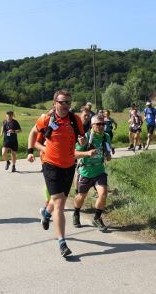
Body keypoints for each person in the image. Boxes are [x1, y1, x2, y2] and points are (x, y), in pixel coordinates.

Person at [27, 90, 96, 258]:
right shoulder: (46, 119)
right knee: (59, 203)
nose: (65, 105)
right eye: (62, 102)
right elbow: (33, 133)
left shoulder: (75, 120)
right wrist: (31, 151)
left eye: (68, 102)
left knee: (59, 199)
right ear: (55, 103)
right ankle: (62, 242)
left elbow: (82, 139)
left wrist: (82, 141)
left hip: (69, 165)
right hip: (50, 165)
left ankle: (45, 214)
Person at [72, 114, 112, 231]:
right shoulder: (86, 137)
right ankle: (76, 213)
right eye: (98, 124)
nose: (101, 126)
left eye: (103, 124)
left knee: (103, 193)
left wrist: (108, 155)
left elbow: (107, 150)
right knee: (81, 196)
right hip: (86, 171)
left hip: (99, 170)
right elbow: (74, 154)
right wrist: (87, 153)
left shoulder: (106, 136)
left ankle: (97, 218)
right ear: (92, 125)